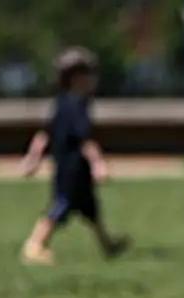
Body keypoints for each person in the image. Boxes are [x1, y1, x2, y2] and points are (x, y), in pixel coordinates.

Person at [19, 47, 127, 265]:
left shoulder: (63, 102)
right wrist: (99, 164)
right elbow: (85, 139)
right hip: (72, 167)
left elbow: (43, 134)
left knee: (91, 209)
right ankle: (34, 245)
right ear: (77, 78)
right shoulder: (77, 105)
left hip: (72, 166)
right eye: (89, 75)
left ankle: (108, 245)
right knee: (61, 205)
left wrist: (33, 158)